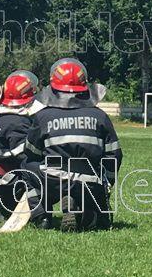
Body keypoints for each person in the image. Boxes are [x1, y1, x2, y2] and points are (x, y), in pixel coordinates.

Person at [24, 58, 123, 231]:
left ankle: (42, 217)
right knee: (95, 220)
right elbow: (114, 155)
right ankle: (84, 206)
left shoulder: (42, 117)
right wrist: (106, 184)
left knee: (27, 167)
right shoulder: (100, 116)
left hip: (53, 180)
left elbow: (31, 152)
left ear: (53, 88)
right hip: (90, 181)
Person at [0, 70, 39, 221]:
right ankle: (37, 214)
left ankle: (1, 206)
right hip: (3, 183)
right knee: (39, 170)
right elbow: (26, 158)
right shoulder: (19, 122)